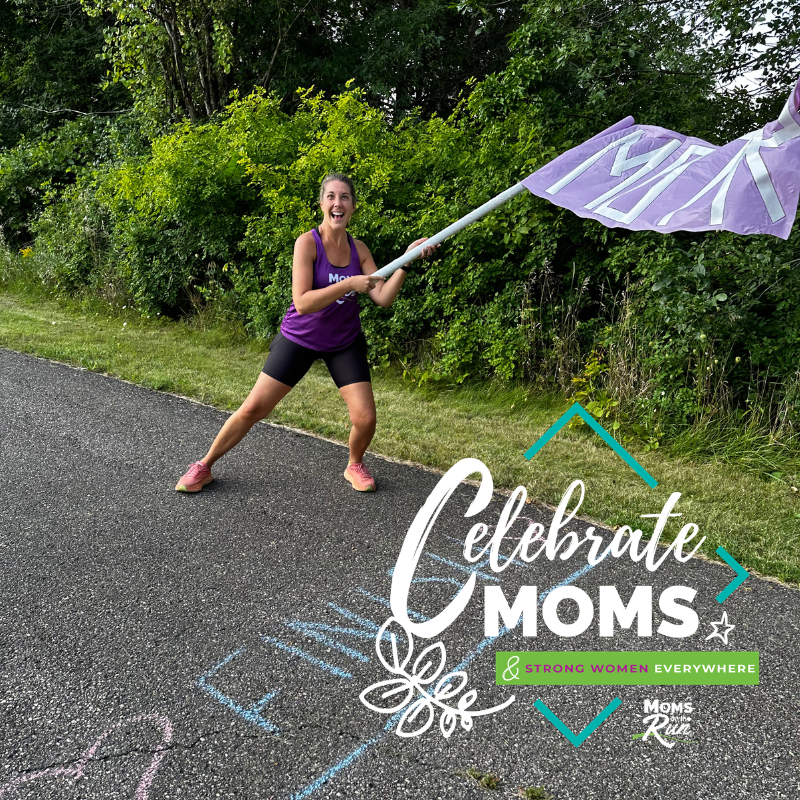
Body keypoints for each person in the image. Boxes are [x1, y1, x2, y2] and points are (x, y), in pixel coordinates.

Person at [175, 173, 437, 494]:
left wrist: (406, 263)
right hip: (300, 337)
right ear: (322, 203)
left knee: (366, 418)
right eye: (331, 197)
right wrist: (348, 284)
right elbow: (302, 302)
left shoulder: (360, 250)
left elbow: (382, 298)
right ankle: (204, 466)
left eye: (344, 198)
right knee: (254, 408)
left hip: (343, 341)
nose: (337, 203)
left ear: (353, 206)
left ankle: (355, 464)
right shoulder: (307, 243)